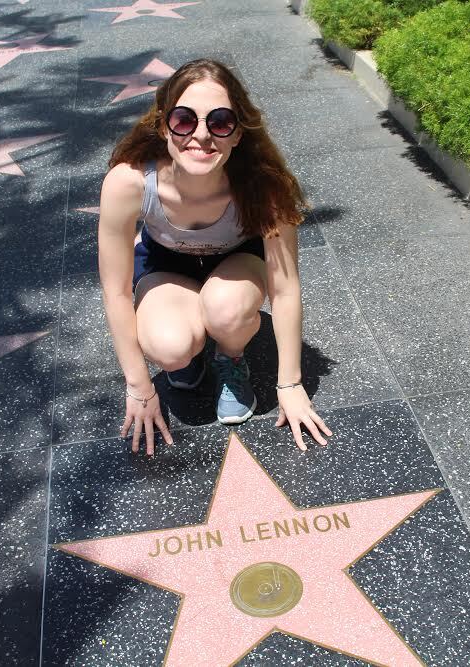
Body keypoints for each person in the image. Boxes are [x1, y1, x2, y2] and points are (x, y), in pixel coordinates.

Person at [97, 59, 331, 456]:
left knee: (225, 309)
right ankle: (188, 359)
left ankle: (230, 356)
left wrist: (290, 384)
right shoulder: (129, 181)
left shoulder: (264, 186)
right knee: (169, 347)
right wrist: (138, 386)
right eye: (184, 120)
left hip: (238, 262)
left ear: (238, 133)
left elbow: (286, 289)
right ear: (162, 125)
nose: (201, 136)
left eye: (220, 122)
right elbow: (117, 291)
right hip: (165, 264)